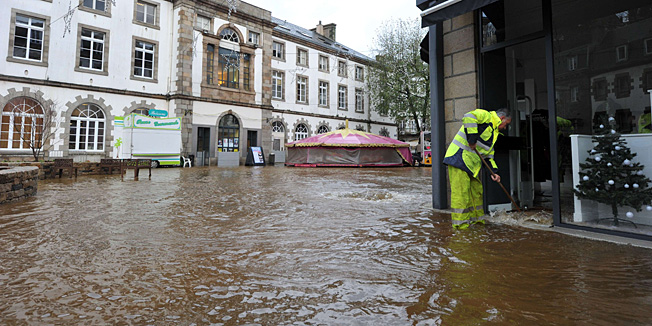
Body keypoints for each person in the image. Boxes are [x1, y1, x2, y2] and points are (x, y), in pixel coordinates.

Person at [443, 108, 512, 229]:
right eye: (506, 124)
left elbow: (488, 156)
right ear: (501, 119)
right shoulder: (486, 116)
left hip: (471, 165)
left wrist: (494, 172)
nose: (505, 128)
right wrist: (472, 139)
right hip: (459, 158)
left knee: (477, 191)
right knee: (461, 194)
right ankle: (461, 227)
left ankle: (477, 223)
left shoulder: (494, 133)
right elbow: (469, 116)